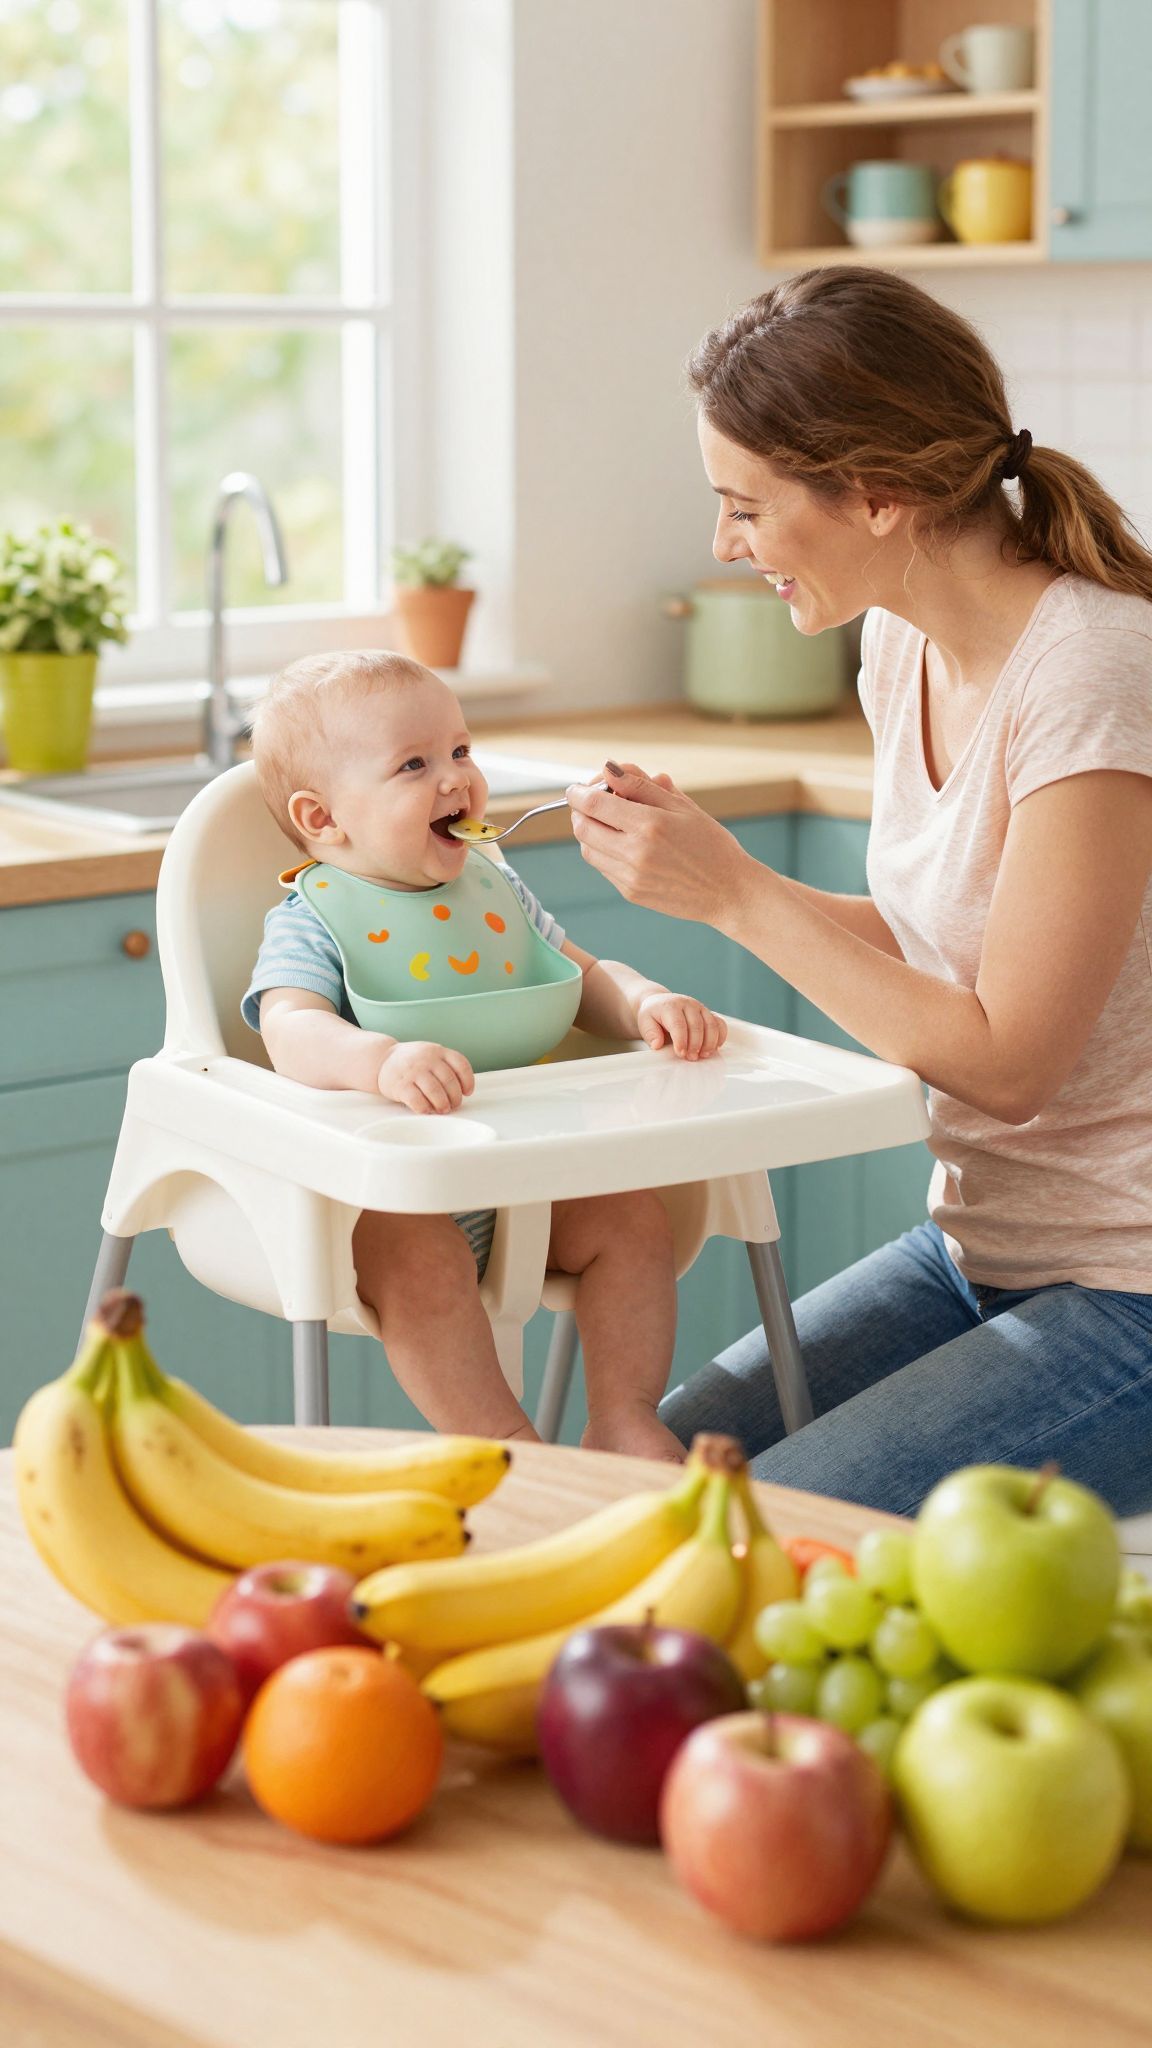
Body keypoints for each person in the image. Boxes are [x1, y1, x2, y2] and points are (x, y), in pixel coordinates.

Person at [567, 265, 1152, 1517]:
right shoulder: (904, 638)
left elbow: (1008, 1059)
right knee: (632, 1468)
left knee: (758, 1531)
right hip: (980, 1246)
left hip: (1132, 1284)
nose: (725, 544)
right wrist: (706, 871)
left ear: (879, 495)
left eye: (747, 507)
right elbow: (932, 932)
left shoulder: (1092, 672)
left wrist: (732, 896)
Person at [243, 648, 726, 1457]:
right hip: (399, 1197)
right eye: (413, 764)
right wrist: (380, 1062)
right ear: (323, 820)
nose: (455, 780)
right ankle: (507, 1445)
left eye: (460, 752)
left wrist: (642, 1003)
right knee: (417, 1266)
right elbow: (287, 1026)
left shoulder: (496, 887)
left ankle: (624, 1414)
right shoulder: (314, 917)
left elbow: (578, 975)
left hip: (531, 1172)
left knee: (633, 1221)